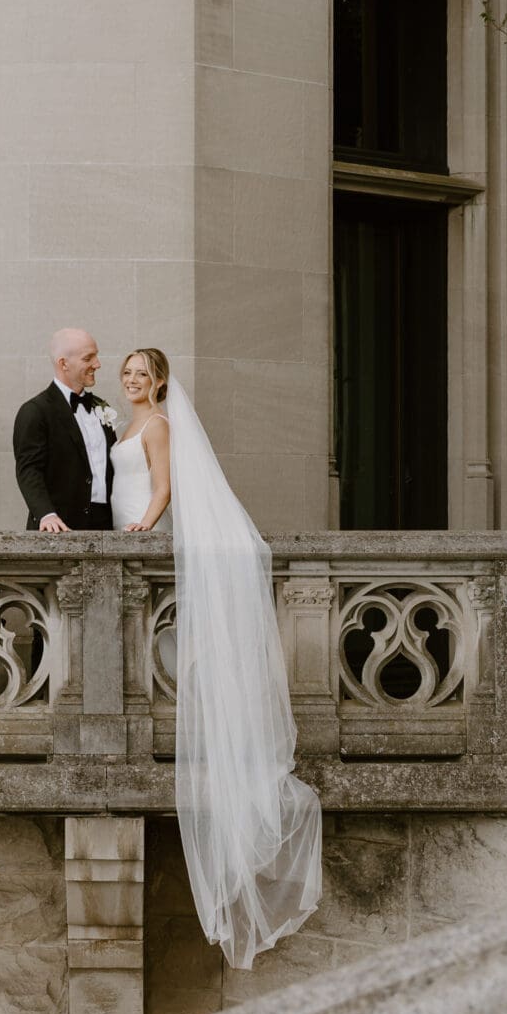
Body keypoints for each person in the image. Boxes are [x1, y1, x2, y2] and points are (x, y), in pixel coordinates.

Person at [111, 345, 323, 971]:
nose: (131, 382)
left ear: (159, 382)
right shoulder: (124, 421)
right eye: (126, 374)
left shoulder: (160, 425)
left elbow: (166, 486)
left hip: (137, 531)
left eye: (140, 375)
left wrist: (145, 527)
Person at [12, 329, 121, 532]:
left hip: (106, 526)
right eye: (88, 358)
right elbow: (28, 470)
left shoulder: (101, 408)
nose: (97, 364)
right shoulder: (35, 411)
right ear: (64, 364)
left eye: (96, 356)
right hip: (59, 527)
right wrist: (46, 514)